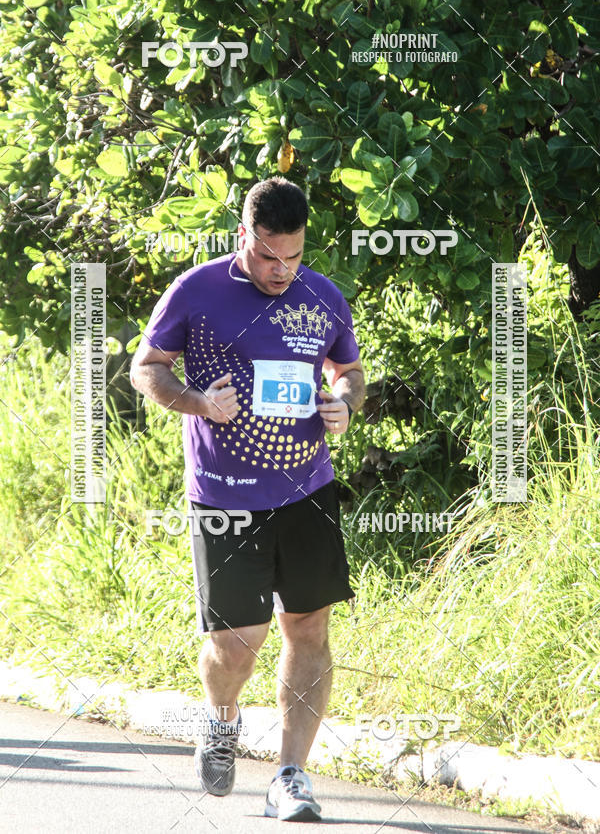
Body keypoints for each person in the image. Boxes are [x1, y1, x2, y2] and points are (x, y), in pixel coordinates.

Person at [130, 177, 365, 822]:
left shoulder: (320, 296)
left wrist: (343, 403)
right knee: (238, 644)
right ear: (244, 237)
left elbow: (349, 372)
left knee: (309, 626)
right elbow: (146, 368)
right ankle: (221, 720)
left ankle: (292, 775)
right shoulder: (197, 290)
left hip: (307, 490)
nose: (281, 270)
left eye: (293, 256)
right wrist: (199, 402)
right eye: (268, 256)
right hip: (226, 495)